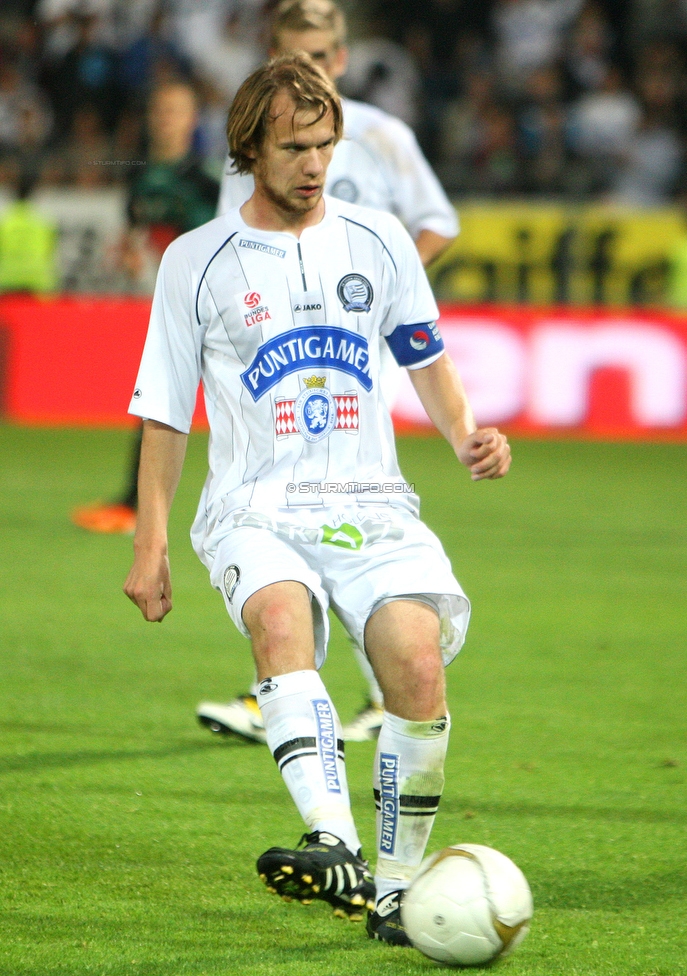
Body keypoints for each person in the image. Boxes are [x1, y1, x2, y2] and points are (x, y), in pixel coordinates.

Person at [123, 54, 511, 946]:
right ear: (250, 145)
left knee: (416, 664)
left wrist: (467, 437)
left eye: (325, 145)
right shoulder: (197, 260)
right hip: (256, 505)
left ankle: (397, 892)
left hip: (372, 501)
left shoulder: (376, 241)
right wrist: (151, 547)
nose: (314, 164)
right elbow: (163, 415)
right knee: (280, 624)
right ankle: (331, 840)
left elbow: (426, 357)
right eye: (296, 146)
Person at [197, 0, 461, 744]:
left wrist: (382, 288)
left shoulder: (382, 136)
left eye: (318, 57)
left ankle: (371, 692)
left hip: (349, 351)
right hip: (278, 351)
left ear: (340, 60)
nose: (306, 70)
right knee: (282, 519)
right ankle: (284, 687)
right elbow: (231, 238)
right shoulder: (252, 146)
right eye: (292, 56)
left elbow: (438, 221)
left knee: (350, 519)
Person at [71, 80, 219, 535]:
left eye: (175, 110)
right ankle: (134, 503)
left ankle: (138, 504)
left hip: (215, 302)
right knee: (158, 396)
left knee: (192, 397)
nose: (165, 119)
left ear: (193, 119)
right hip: (171, 303)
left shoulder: (208, 178)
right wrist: (133, 253)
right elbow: (136, 230)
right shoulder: (141, 174)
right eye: (159, 110)